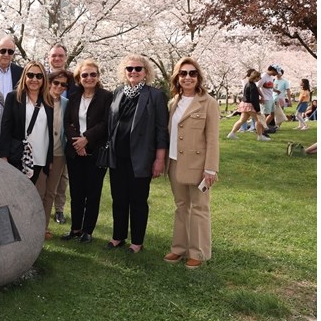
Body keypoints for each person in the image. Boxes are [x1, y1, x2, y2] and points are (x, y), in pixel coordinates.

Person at [104, 54, 169, 254]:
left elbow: (161, 130)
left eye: (138, 69)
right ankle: (118, 236)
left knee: (138, 201)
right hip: (118, 156)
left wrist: (159, 159)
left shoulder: (155, 95)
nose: (133, 72)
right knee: (119, 198)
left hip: (141, 158)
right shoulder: (117, 92)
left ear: (146, 72)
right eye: (129, 69)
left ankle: (137, 241)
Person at [164, 57, 220, 269]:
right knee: (181, 206)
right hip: (175, 162)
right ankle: (179, 248)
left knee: (199, 208)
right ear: (177, 78)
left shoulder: (209, 103)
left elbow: (213, 138)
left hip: (198, 164)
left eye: (192, 73)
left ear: (198, 77)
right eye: (183, 73)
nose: (187, 77)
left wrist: (211, 168)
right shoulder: (173, 102)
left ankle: (198, 252)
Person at [61, 60, 113, 243]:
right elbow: (66, 122)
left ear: (98, 77)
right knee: (76, 192)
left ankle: (87, 231)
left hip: (96, 152)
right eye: (85, 75)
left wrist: (87, 139)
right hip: (75, 152)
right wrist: (77, 142)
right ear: (79, 78)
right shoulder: (73, 97)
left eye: (93, 74)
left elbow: (106, 123)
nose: (89, 78)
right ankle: (75, 228)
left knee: (92, 192)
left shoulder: (107, 97)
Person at [0, 61, 54, 187]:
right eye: (30, 75)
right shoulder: (13, 97)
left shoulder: (48, 101)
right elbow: (6, 127)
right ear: (24, 77)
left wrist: (50, 158)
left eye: (39, 76)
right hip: (19, 156)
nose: (34, 79)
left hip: (39, 156)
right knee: (15, 191)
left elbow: (49, 131)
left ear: (44, 79)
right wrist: (4, 155)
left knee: (30, 192)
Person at [34, 69, 69, 240]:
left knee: (50, 192)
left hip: (58, 153)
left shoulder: (66, 103)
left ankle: (44, 228)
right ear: (49, 82)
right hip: (40, 153)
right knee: (38, 191)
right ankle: (34, 225)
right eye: (56, 82)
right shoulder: (39, 101)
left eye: (63, 84)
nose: (59, 86)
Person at [45, 43, 74, 224]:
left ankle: (59, 210)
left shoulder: (71, 85)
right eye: (54, 55)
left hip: (60, 147)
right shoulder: (41, 87)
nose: (57, 59)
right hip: (41, 148)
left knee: (60, 181)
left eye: (60, 56)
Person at [226, 70, 270, 141]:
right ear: (256, 77)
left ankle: (232, 133)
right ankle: (260, 136)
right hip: (250, 105)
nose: (260, 79)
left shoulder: (248, 84)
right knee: (258, 120)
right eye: (259, 77)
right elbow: (253, 99)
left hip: (244, 104)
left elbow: (247, 96)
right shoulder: (252, 86)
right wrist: (257, 109)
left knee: (242, 120)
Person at [257, 64, 279, 133]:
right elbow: (257, 87)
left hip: (270, 98)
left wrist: (275, 90)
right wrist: (262, 97)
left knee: (272, 114)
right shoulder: (263, 76)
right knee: (265, 115)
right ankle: (261, 130)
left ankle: (264, 128)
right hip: (265, 98)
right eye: (276, 72)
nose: (277, 74)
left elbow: (270, 87)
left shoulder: (270, 77)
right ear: (272, 70)